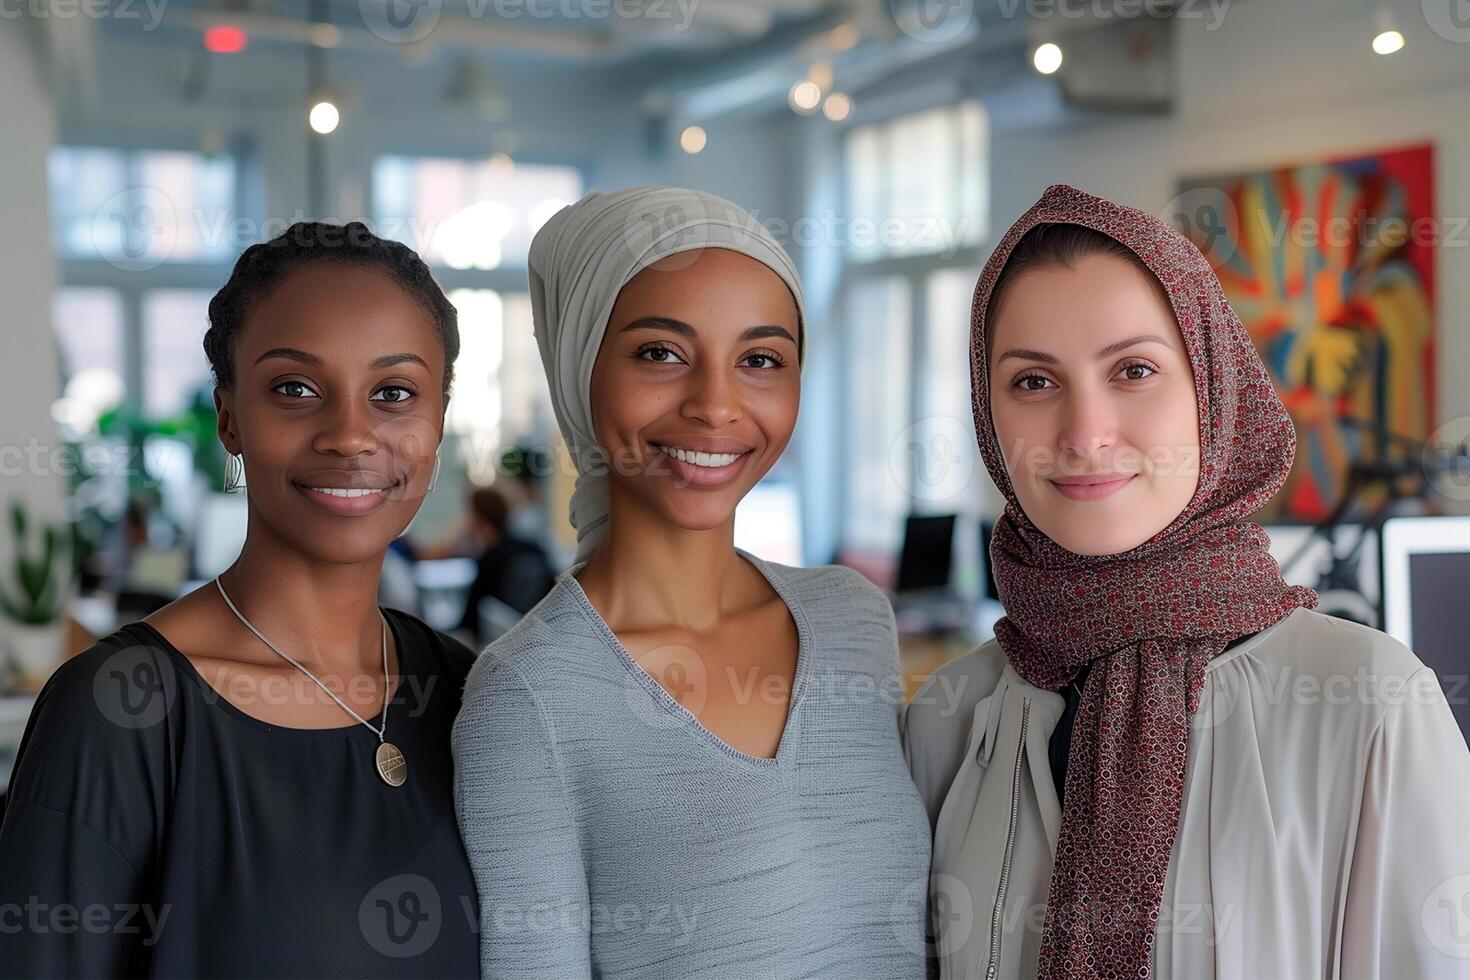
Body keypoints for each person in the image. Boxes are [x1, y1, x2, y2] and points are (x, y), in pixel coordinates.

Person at [901, 184, 1470, 978]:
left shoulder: (1369, 702)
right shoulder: (950, 720)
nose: (1084, 433)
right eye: (1033, 381)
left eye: (1133, 370)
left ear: (1213, 392)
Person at [452, 187, 932, 977]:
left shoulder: (853, 620)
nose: (716, 405)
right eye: (660, 352)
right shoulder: (526, 699)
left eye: (760, 360)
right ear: (581, 370)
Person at [0, 221, 480, 977]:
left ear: (437, 424)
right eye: (295, 389)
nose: (351, 435)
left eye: (394, 393)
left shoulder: (472, 693)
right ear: (230, 418)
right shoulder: (123, 713)